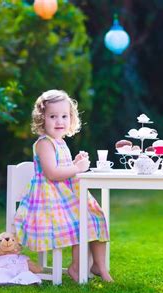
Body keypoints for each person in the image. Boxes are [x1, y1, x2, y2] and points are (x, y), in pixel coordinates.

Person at [14, 89, 113, 282]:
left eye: (64, 116)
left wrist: (73, 163)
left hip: (64, 196)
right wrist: (76, 168)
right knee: (81, 222)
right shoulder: (44, 143)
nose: (59, 121)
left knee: (96, 217)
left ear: (71, 119)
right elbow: (52, 173)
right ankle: (76, 268)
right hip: (48, 201)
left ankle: (99, 267)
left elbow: (63, 168)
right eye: (53, 116)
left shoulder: (60, 142)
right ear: (42, 119)